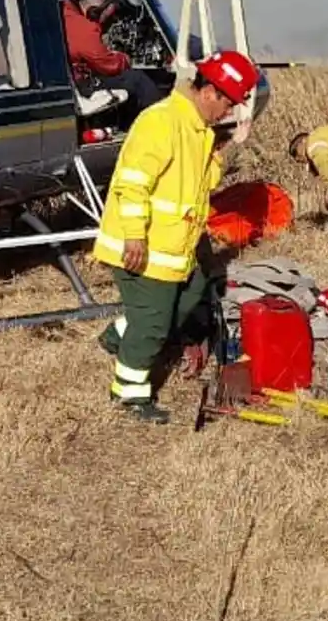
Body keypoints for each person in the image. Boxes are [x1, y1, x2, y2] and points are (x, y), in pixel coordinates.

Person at [92, 49, 261, 423]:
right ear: (209, 92)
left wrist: (230, 144)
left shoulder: (198, 129)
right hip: (143, 245)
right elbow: (132, 182)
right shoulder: (162, 122)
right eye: (229, 104)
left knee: (190, 297)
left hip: (176, 246)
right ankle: (129, 393)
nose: (229, 112)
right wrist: (135, 236)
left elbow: (205, 181)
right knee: (153, 326)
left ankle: (120, 334)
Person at [61, 0, 161, 113]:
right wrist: (124, 59)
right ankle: (158, 123)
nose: (106, 22)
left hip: (66, 79)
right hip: (78, 85)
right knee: (136, 79)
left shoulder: (64, 9)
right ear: (95, 12)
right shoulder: (84, 28)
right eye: (107, 16)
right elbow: (109, 66)